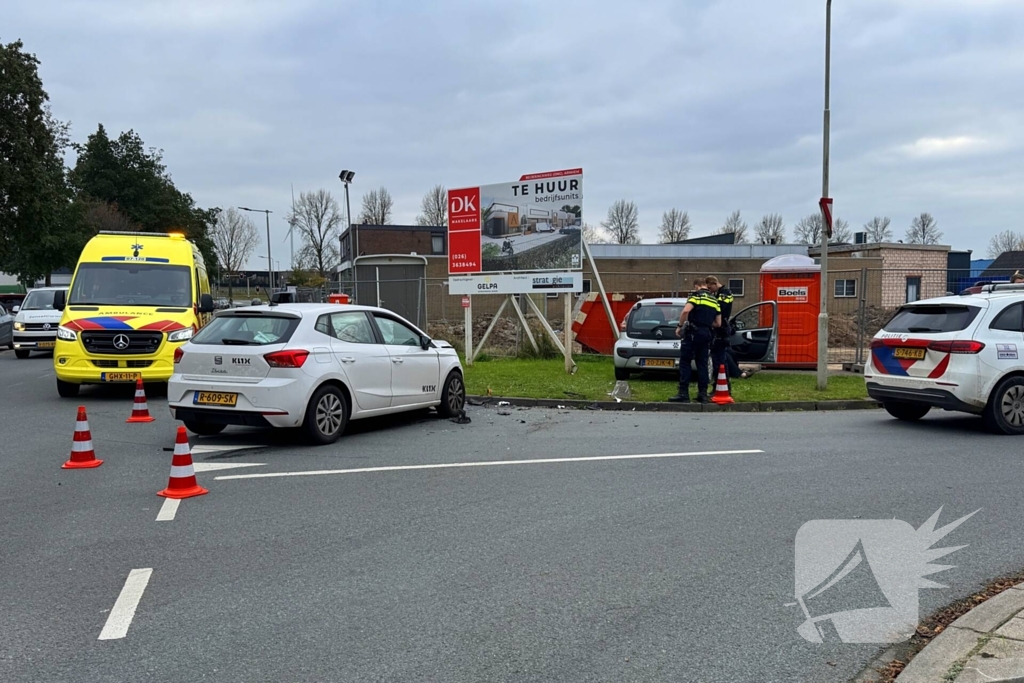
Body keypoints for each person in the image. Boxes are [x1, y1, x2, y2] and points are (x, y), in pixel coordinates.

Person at [668, 279, 721, 403]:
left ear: (697, 286)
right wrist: (706, 324)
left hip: (693, 333)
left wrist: (679, 326)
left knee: (685, 362)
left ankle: (683, 394)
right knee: (702, 364)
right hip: (706, 334)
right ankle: (702, 394)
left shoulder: (696, 296)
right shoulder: (714, 300)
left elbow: (686, 311)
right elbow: (718, 323)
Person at [705, 276, 735, 386]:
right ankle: (719, 384)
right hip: (719, 329)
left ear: (714, 283)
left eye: (710, 287)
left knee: (720, 360)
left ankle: (723, 384)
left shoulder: (725, 293)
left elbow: (720, 308)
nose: (709, 290)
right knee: (717, 359)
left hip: (721, 330)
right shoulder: (719, 294)